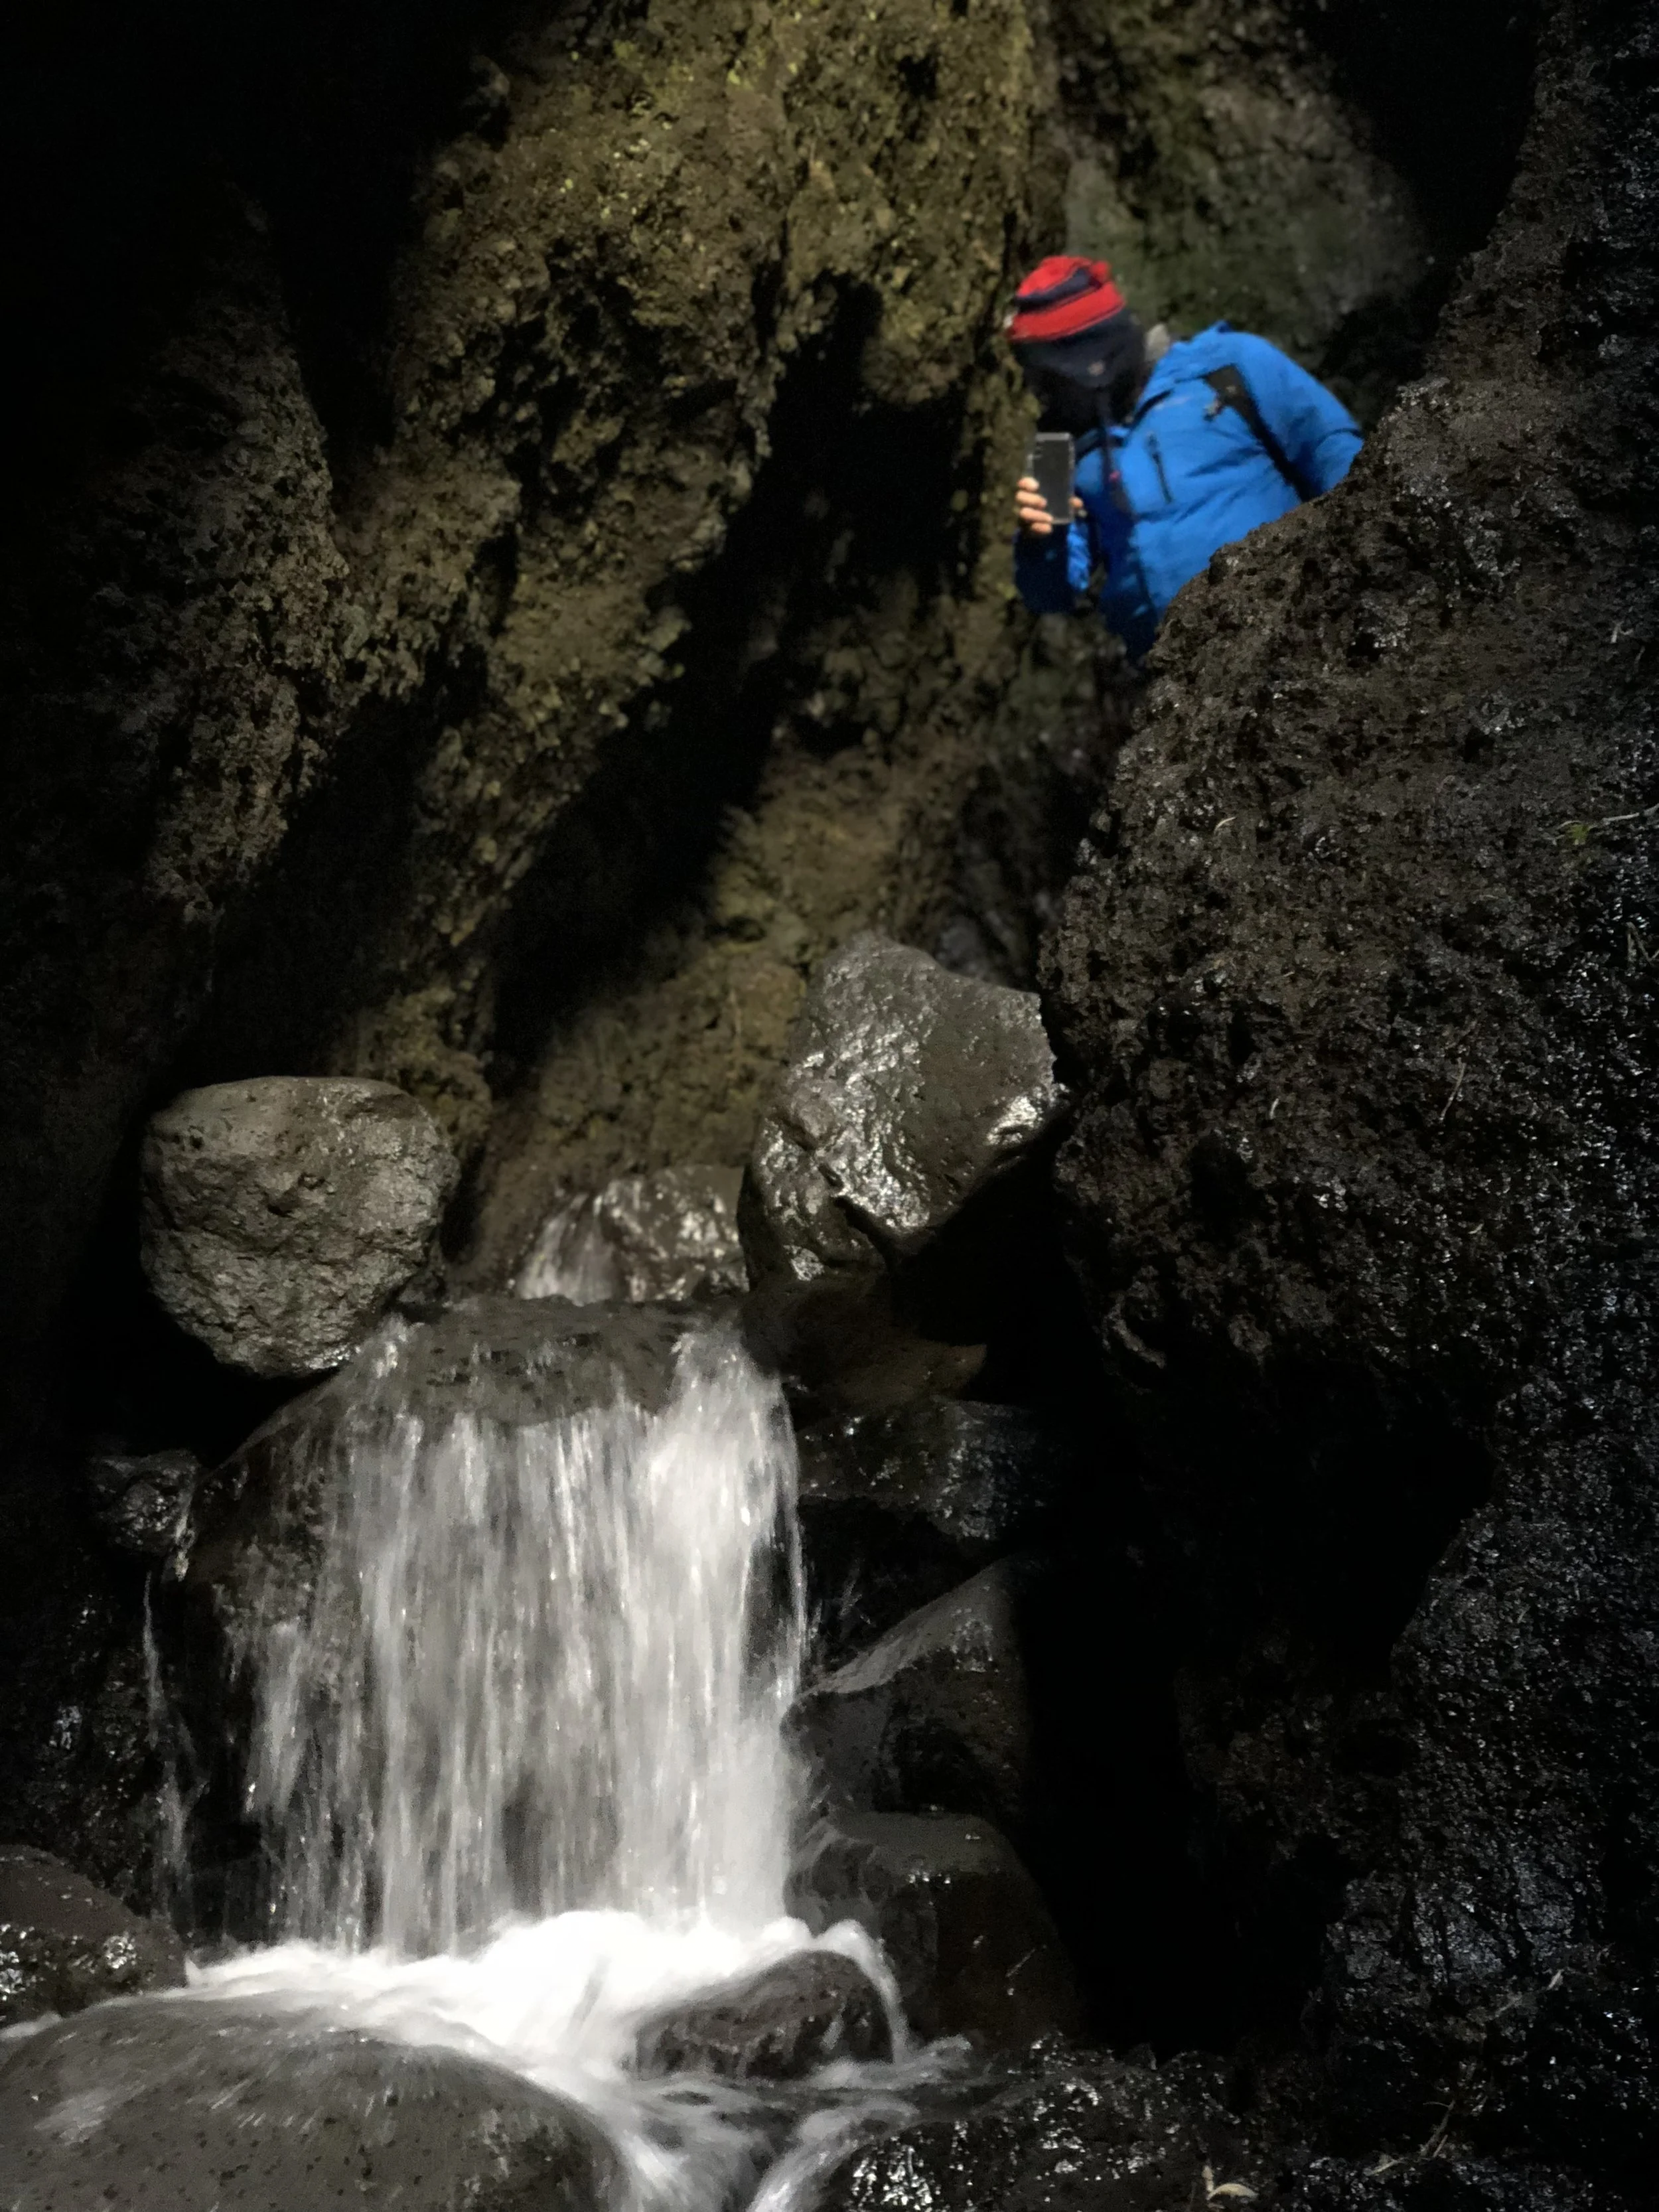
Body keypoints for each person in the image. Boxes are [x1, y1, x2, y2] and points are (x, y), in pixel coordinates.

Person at [1008, 257, 1361, 658]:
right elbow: (1051, 596)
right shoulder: (1059, 449)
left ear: (1090, 364)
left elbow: (1331, 448)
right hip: (1180, 679)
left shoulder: (1227, 366)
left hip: (1298, 631)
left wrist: (1361, 566)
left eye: (1048, 381)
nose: (1041, 395)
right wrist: (1043, 542)